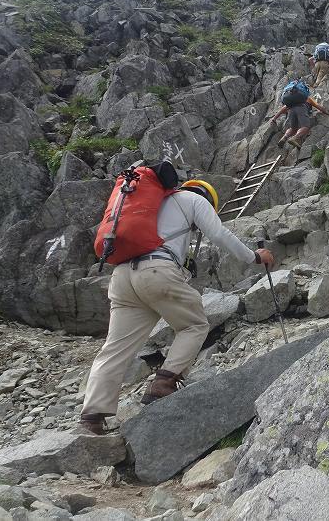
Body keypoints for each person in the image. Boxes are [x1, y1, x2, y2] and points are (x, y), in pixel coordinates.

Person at [79, 179, 274, 435]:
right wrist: (255, 256)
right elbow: (219, 234)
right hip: (157, 270)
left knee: (115, 347)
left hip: (122, 277)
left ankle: (91, 417)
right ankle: (164, 381)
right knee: (194, 324)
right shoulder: (194, 200)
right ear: (207, 198)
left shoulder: (149, 203)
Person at [270, 79, 329, 150]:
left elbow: (282, 109)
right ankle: (295, 138)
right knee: (305, 127)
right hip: (301, 108)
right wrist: (327, 112)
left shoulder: (291, 101)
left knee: (293, 129)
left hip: (291, 110)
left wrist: (274, 118)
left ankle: (284, 138)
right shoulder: (307, 98)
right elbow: (319, 107)